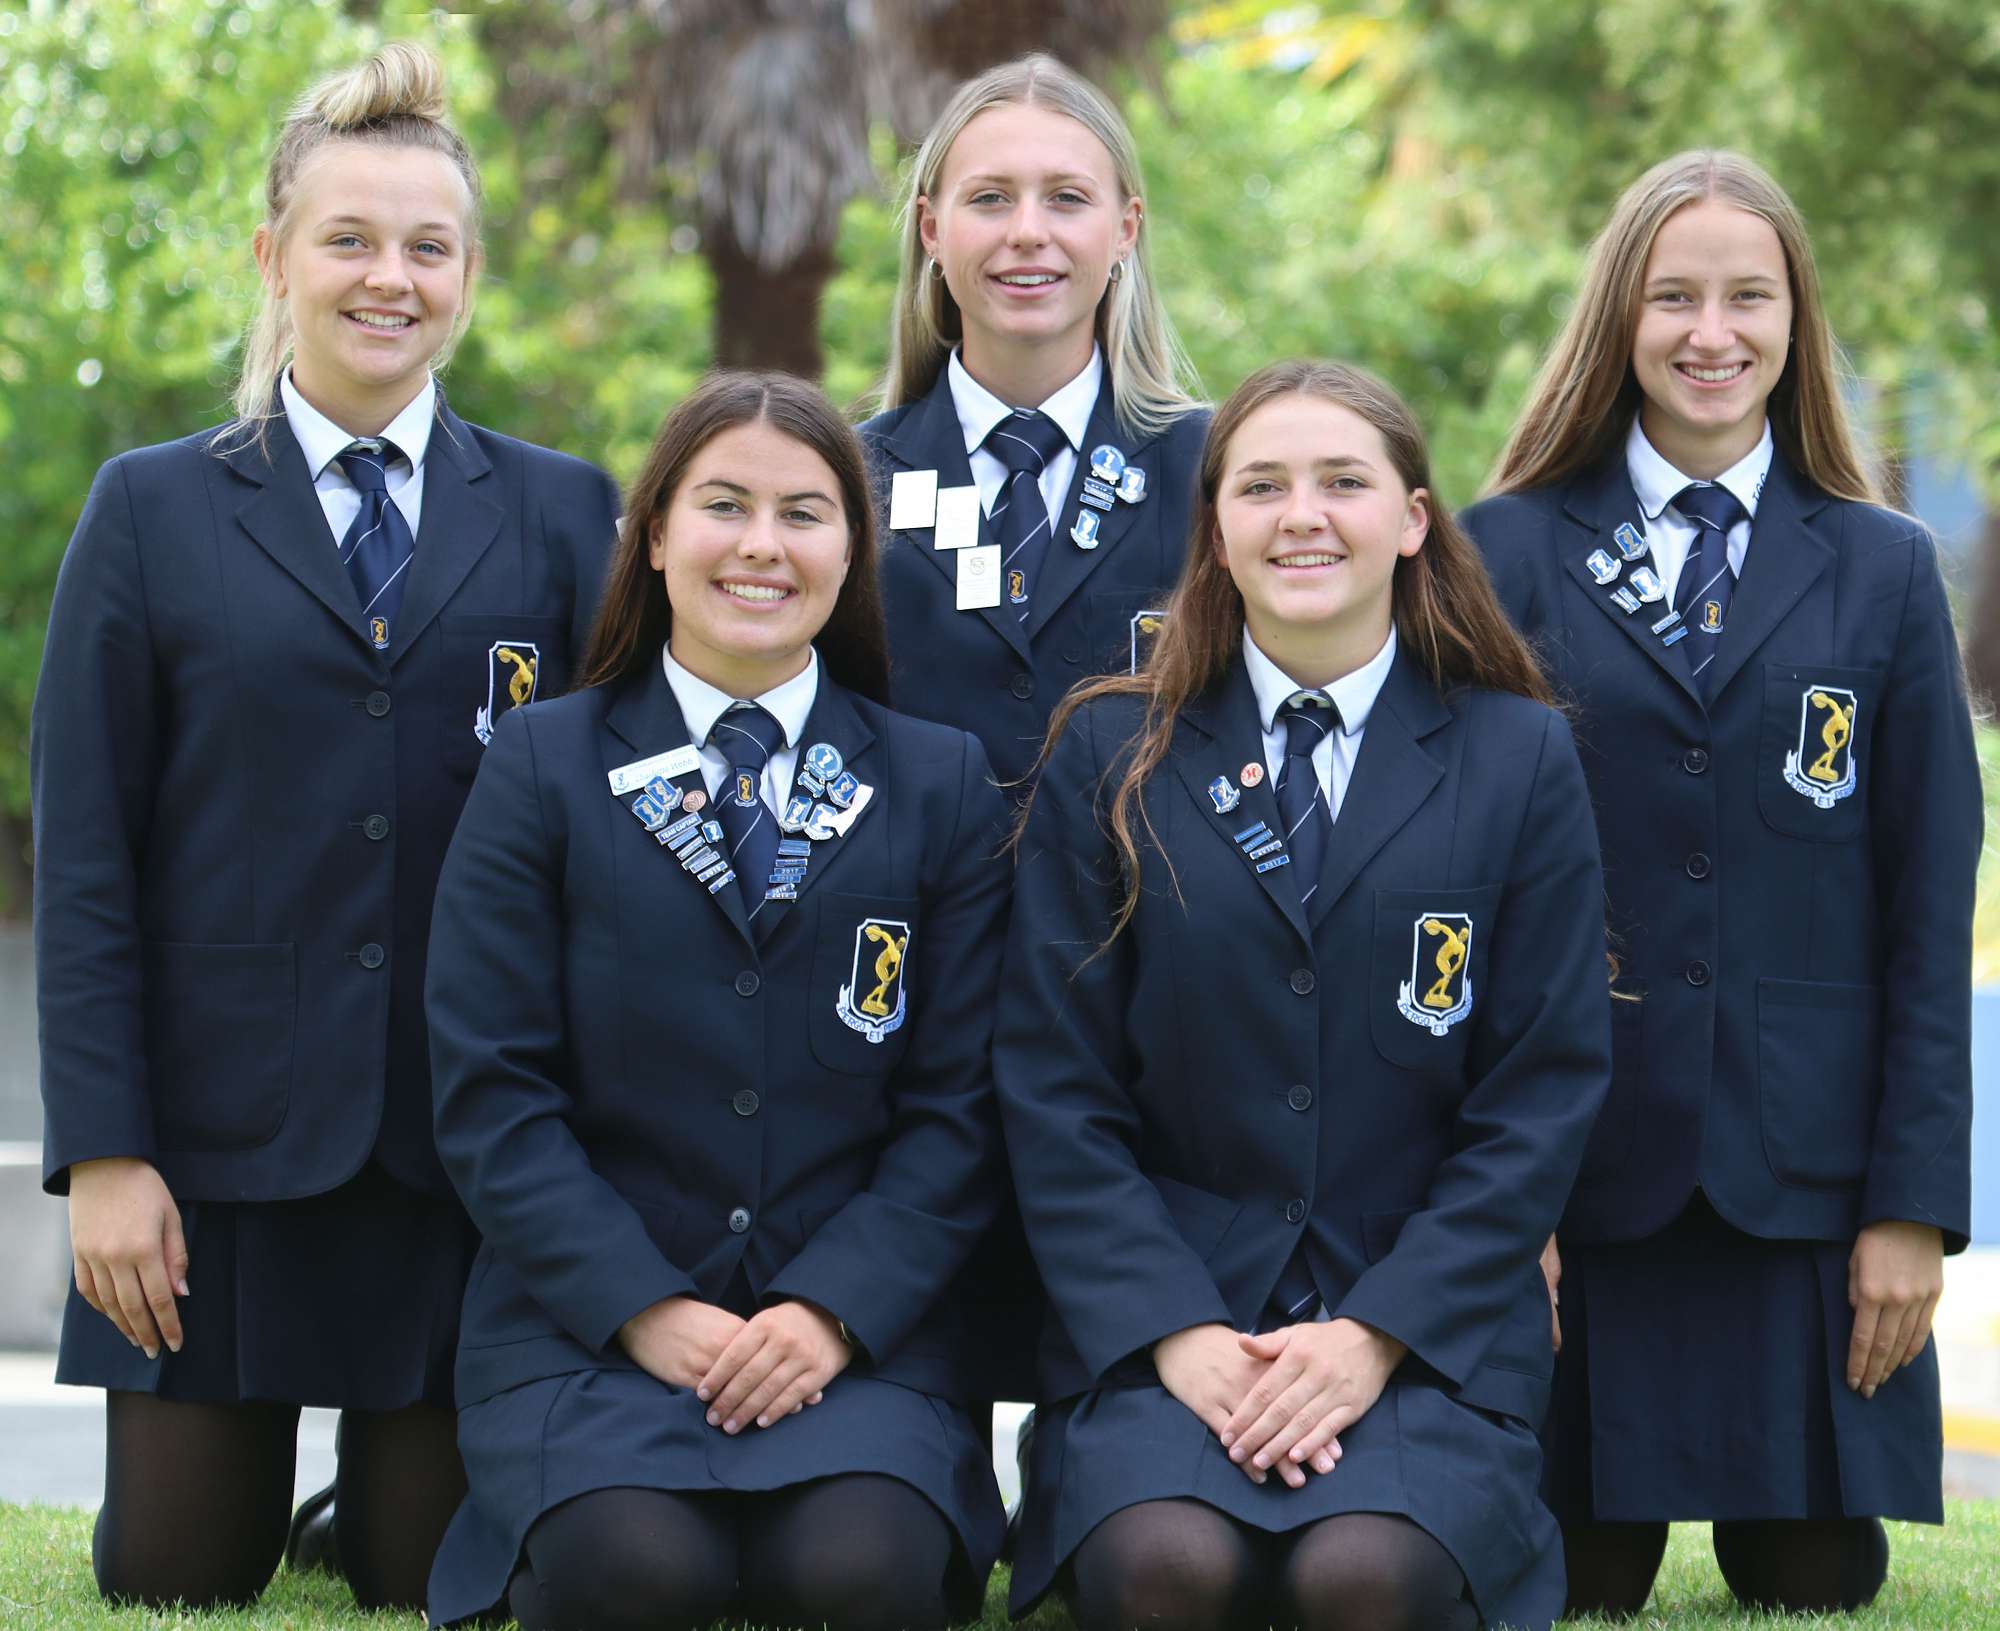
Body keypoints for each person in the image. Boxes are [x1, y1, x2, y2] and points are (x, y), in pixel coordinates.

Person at [30, 42, 618, 1612]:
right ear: (273, 256)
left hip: (459, 1148)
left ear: (468, 276)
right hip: (213, 1152)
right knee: (170, 1576)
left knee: (420, 1575)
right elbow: (84, 858)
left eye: (428, 246)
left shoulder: (563, 511)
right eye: (349, 239)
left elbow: (614, 836)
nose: (389, 278)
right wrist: (105, 1153)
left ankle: (361, 1502)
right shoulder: (149, 508)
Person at [997, 359, 1612, 1631]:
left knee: (1363, 1578)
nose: (1302, 516)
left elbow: (1539, 1096)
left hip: (1423, 1325)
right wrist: (1177, 1330)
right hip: (1172, 1317)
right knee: (1165, 1569)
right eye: (1262, 486)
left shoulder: (1518, 754)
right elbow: (1054, 1090)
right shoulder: (1111, 749)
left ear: (1412, 519)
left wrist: (1373, 1331)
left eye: (1342, 482)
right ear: (1214, 527)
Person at [1463, 149, 1980, 1618]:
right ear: (1617, 319)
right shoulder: (1506, 550)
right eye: (1672, 297)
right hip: (1580, 1167)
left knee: (1816, 1576)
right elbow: (1461, 886)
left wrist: (1911, 1210)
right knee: (1579, 1582)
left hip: (1801, 1173)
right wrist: (1493, 1200)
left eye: (1748, 296)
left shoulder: (1884, 566)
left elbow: (1925, 910)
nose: (1711, 332)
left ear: (1795, 319)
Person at [423, 372, 1011, 1631]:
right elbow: (492, 1091)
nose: (761, 545)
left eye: (803, 513)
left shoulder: (940, 782)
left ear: (850, 550)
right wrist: (643, 1306)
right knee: (631, 1571)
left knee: (862, 1572)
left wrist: (830, 1309)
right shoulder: (542, 764)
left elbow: (958, 1109)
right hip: (591, 1323)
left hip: (857, 1330)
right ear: (652, 533)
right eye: (723, 504)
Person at [857, 48, 1212, 1435]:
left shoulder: (1226, 476)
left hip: (1156, 1046)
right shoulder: (838, 482)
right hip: (891, 1051)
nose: (1028, 234)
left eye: (1066, 197)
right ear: (930, 227)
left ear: (1125, 227)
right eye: (989, 197)